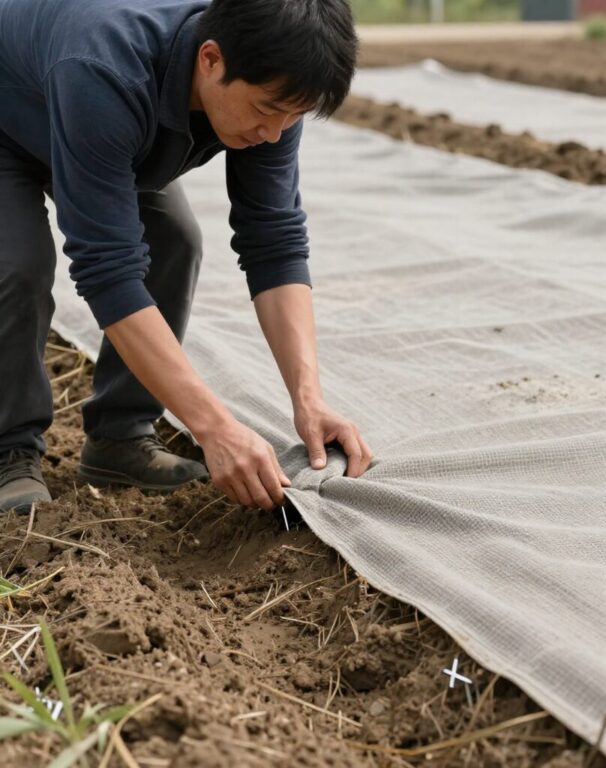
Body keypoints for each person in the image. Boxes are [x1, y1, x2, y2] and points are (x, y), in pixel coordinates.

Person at [0, 0, 373, 513]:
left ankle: (119, 439)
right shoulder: (106, 65)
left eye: (294, 116)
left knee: (174, 240)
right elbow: (106, 269)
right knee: (16, 266)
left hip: (104, 131)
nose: (274, 134)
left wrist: (308, 399)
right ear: (211, 59)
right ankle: (9, 451)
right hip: (10, 118)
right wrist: (214, 427)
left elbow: (275, 239)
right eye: (266, 110)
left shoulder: (274, 90)